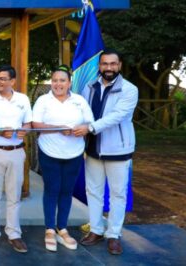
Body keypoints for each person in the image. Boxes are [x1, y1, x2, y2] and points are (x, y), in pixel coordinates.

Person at [74, 49, 138, 255]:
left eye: (113, 64)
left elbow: (118, 116)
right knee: (93, 191)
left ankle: (114, 235)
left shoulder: (129, 89)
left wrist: (90, 128)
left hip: (118, 149)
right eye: (104, 64)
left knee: (118, 194)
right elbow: (82, 113)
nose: (108, 67)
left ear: (119, 65)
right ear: (99, 66)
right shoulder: (89, 87)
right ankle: (96, 230)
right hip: (93, 148)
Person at [32, 65, 94, 252]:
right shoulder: (43, 100)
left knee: (67, 191)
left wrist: (82, 129)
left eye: (62, 80)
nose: (58, 84)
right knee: (52, 190)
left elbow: (90, 123)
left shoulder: (79, 100)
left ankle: (62, 228)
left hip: (74, 154)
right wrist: (58, 128)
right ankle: (50, 229)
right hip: (49, 152)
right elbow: (35, 124)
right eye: (55, 80)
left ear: (69, 83)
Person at [0, 65, 32, 253]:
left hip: (17, 151)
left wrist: (24, 131)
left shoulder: (23, 99)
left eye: (2, 79)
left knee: (14, 195)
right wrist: (0, 132)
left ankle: (14, 234)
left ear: (13, 81)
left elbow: (28, 123)